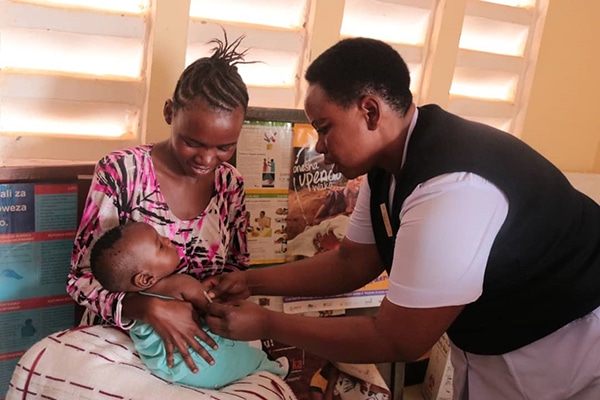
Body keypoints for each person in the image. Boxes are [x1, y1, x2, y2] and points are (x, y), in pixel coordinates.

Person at [204, 37, 600, 400]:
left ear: (370, 111)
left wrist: (267, 324)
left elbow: (399, 340)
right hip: (499, 335)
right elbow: (350, 262)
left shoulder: (452, 188)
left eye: (325, 130)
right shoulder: (388, 167)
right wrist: (249, 281)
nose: (320, 148)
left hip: (568, 338)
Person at [67, 33, 253, 374]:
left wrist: (224, 291)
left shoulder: (231, 184)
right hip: (119, 346)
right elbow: (80, 278)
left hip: (197, 351)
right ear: (170, 112)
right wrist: (145, 307)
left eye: (225, 147)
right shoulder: (121, 172)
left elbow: (237, 269)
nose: (207, 160)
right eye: (193, 142)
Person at [89, 221, 287, 388]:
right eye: (160, 245)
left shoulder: (131, 304)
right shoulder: (182, 283)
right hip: (206, 366)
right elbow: (215, 311)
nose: (168, 240)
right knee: (250, 354)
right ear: (145, 278)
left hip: (169, 370)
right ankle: (273, 368)